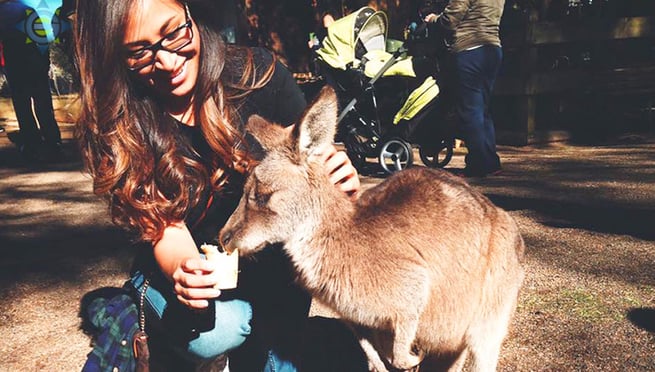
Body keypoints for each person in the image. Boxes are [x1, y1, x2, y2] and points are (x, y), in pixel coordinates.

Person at [73, 0, 361, 371]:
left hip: (269, 270)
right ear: (117, 57)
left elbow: (308, 156)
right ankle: (136, 307)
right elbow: (165, 228)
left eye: (173, 33)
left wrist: (336, 178)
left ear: (190, 13)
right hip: (193, 266)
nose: (167, 61)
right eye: (140, 53)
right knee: (220, 331)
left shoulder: (257, 75)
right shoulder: (124, 119)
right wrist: (184, 270)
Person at [424, 0, 504, 177]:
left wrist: (433, 19)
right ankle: (490, 162)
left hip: (469, 50)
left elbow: (450, 20)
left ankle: (478, 165)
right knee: (483, 110)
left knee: (470, 111)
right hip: (493, 49)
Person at [0, 1, 63, 161]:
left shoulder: (6, 10)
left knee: (23, 105)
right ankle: (52, 142)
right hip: (33, 60)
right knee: (42, 102)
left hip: (16, 61)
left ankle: (32, 143)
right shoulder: (30, 7)